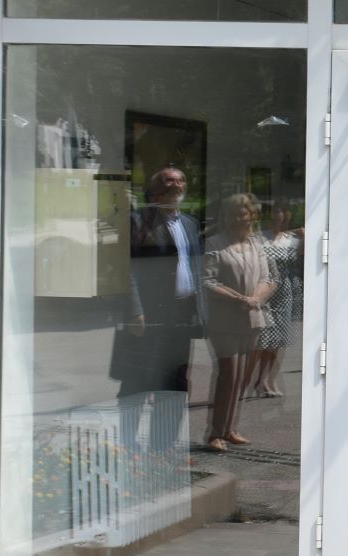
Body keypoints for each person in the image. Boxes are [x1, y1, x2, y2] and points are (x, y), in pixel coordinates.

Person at [110, 165, 205, 454]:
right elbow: (126, 268)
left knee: (175, 382)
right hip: (148, 316)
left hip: (180, 316)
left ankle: (162, 447)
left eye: (181, 180)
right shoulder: (139, 221)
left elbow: (194, 267)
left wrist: (200, 311)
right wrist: (134, 310)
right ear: (155, 190)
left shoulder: (189, 223)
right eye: (169, 180)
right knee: (138, 381)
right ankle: (128, 445)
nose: (177, 184)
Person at [203, 193, 277, 452]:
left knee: (243, 376)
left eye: (243, 213)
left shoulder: (256, 244)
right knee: (229, 374)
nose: (239, 218)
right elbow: (208, 281)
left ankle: (230, 429)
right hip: (225, 318)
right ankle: (215, 433)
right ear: (225, 217)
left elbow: (268, 278)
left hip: (252, 316)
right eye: (233, 213)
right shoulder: (215, 243)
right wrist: (239, 299)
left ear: (251, 215)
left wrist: (256, 299)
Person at [248, 200, 303, 399]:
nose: (279, 215)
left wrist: (297, 232)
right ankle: (248, 380)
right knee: (261, 337)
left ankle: (266, 379)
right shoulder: (258, 236)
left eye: (283, 211)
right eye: (276, 211)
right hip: (263, 288)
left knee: (278, 338)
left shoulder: (293, 238)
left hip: (285, 290)